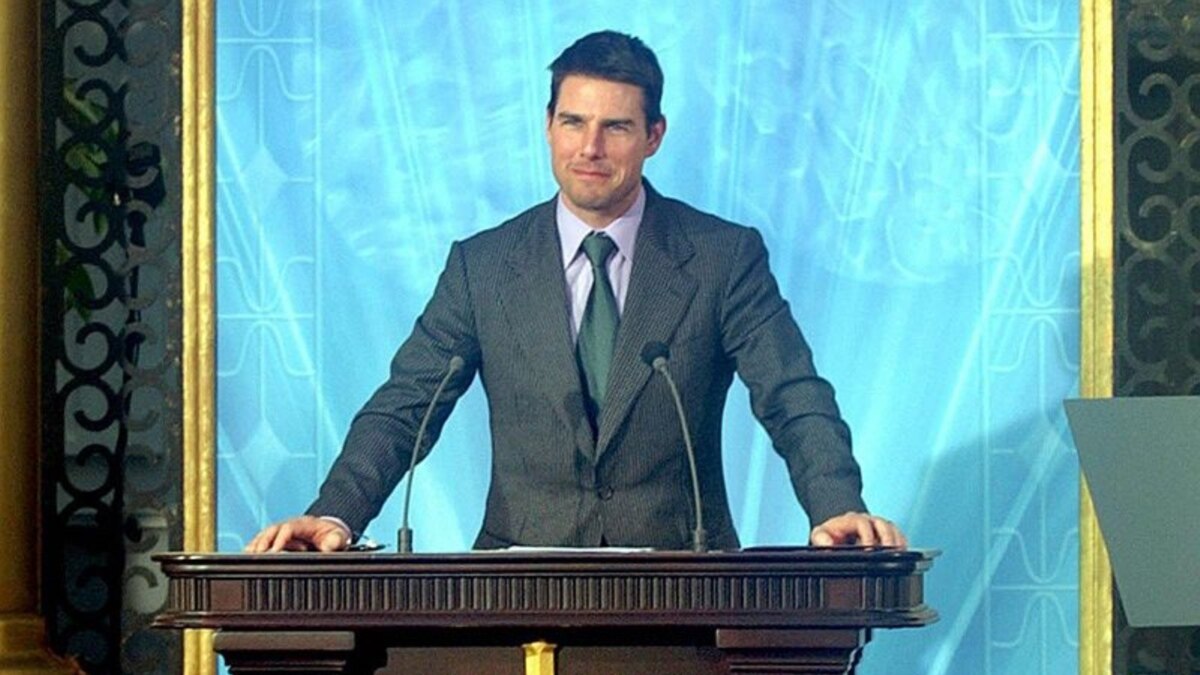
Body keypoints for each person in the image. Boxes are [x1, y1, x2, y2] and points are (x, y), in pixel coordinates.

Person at [246, 30, 906, 554]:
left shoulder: (721, 258)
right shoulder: (482, 266)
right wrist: (334, 513)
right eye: (572, 122)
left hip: (683, 586)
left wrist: (836, 506)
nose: (589, 147)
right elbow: (404, 407)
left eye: (615, 127)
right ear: (547, 125)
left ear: (654, 136)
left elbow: (792, 394)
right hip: (515, 590)